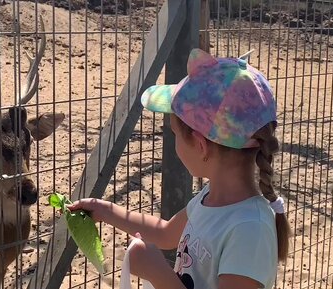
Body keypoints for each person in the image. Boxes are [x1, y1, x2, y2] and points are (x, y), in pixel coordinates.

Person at [68, 48, 291, 289]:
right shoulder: (210, 197)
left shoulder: (250, 229)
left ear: (200, 145)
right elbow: (165, 233)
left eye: (173, 133)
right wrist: (105, 211)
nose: (173, 140)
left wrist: (158, 274)